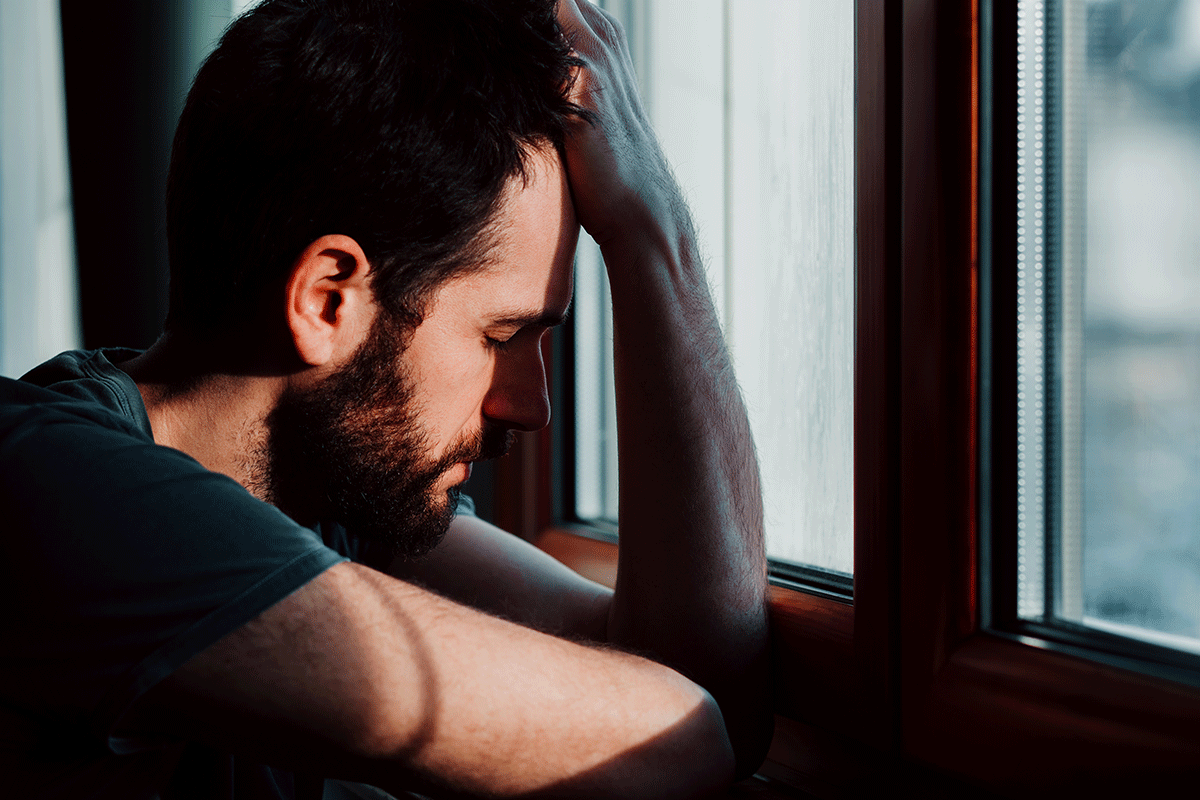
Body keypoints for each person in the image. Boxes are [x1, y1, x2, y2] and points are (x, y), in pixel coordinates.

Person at [0, 0, 771, 797]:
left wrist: (651, 231)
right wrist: (658, 231)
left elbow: (702, 698)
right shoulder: (57, 494)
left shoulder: (328, 491)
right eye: (500, 337)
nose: (531, 408)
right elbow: (684, 747)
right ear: (328, 301)